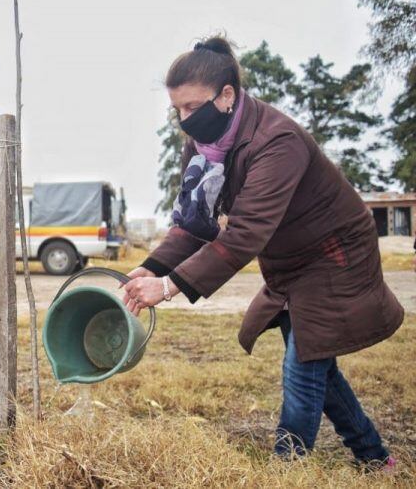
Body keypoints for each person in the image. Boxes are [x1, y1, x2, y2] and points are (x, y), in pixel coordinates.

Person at [122, 36, 403, 469]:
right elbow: (195, 224)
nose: (184, 120)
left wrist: (169, 285)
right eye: (177, 109)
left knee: (305, 360)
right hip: (290, 258)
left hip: (334, 251)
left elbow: (246, 232)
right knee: (316, 361)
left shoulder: (278, 140)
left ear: (227, 95)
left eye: (194, 108)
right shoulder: (201, 146)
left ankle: (285, 467)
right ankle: (373, 456)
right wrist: (148, 267)